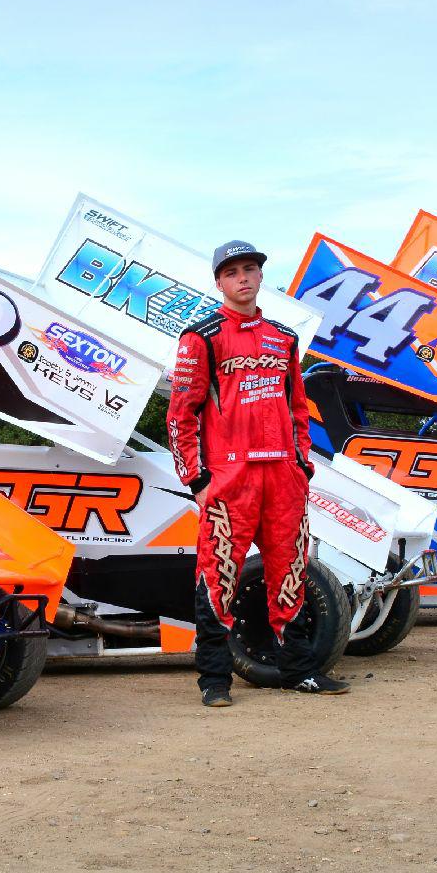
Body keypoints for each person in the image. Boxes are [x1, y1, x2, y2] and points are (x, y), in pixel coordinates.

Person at [166, 239, 349, 706]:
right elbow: (180, 415)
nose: (243, 278)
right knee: (218, 575)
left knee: (290, 571)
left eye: (250, 269)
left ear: (261, 276)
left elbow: (297, 409)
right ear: (219, 282)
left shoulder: (284, 338)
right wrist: (197, 480)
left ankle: (300, 671)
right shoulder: (201, 337)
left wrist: (302, 463)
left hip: (283, 476)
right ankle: (214, 681)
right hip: (229, 479)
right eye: (232, 272)